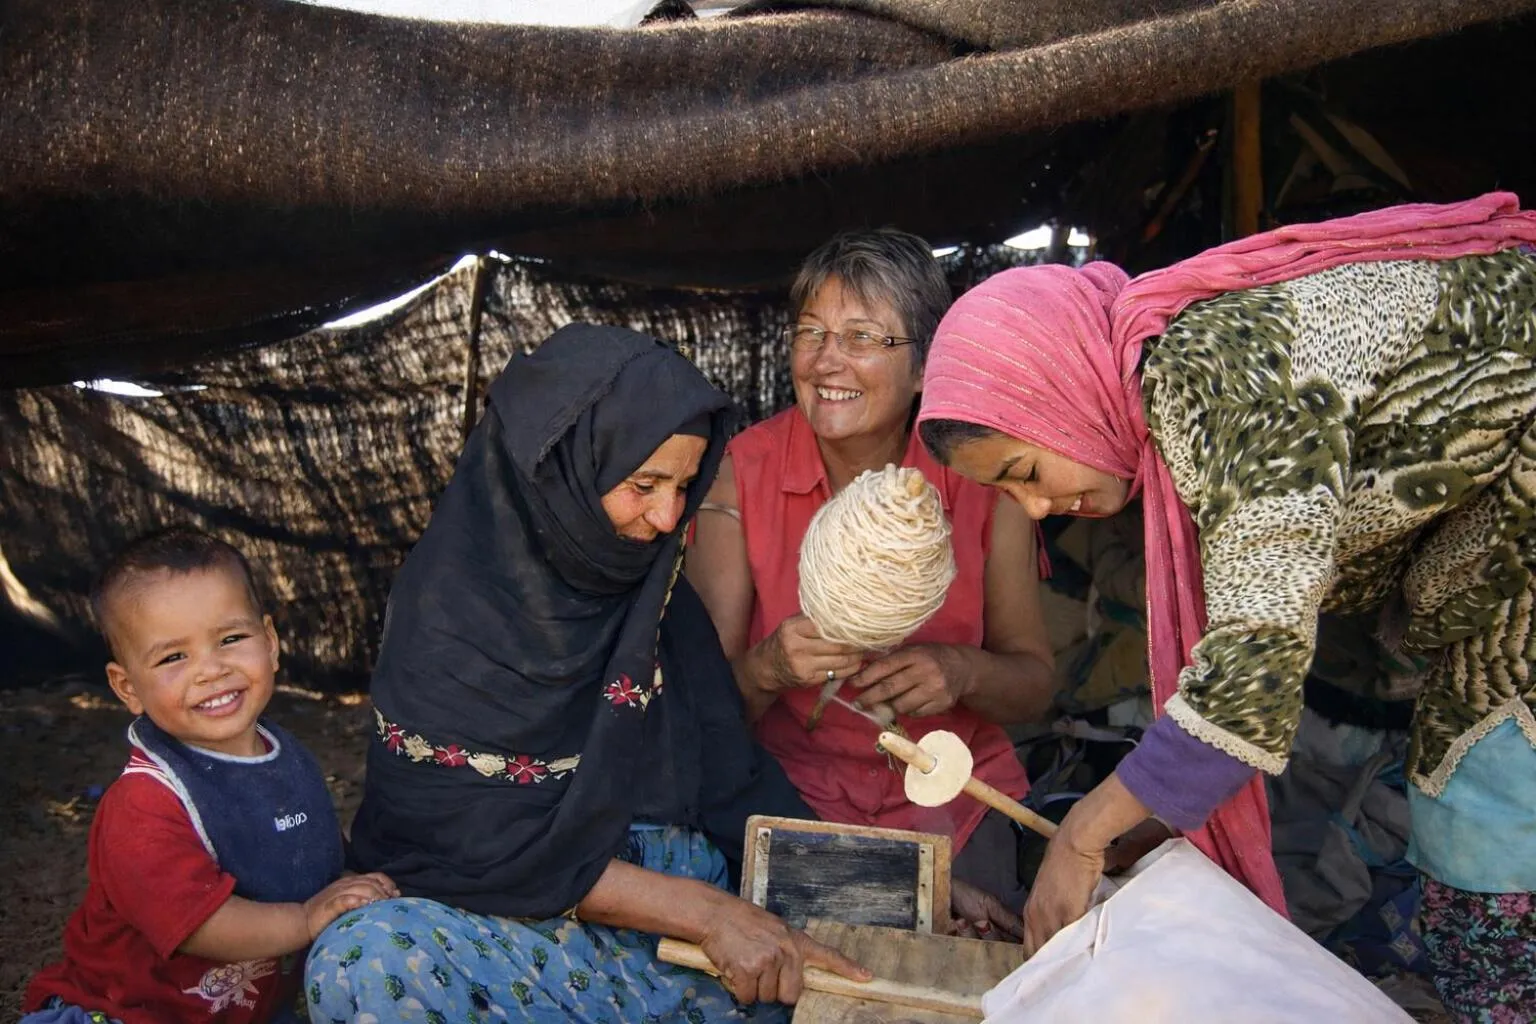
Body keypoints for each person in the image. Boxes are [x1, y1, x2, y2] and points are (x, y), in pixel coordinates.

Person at [915, 193, 1536, 1020]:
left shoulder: (1216, 376)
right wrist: (1143, 811)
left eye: (1025, 472)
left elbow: (1255, 669)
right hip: (1502, 578)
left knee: (1489, 872)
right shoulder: (1186, 368)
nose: (1035, 511)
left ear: (1061, 391)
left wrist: (1083, 832)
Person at [305, 324, 869, 1023]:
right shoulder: (449, 609)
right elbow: (459, 833)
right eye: (644, 484)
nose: (667, 518)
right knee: (363, 959)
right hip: (525, 939)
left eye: (685, 487)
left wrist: (886, 896)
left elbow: (733, 778)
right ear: (561, 469)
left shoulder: (657, 592)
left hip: (687, 959)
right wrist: (705, 913)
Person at [687, 229, 1057, 928]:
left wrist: (962, 671)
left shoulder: (980, 470)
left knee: (966, 966)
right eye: (812, 333)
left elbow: (1036, 685)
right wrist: (768, 668)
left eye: (862, 337)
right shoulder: (745, 469)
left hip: (959, 803)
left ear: (924, 368)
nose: (827, 359)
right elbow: (702, 716)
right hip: (794, 806)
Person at [22, 527, 395, 1024]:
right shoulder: (145, 803)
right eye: (174, 657)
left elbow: (316, 858)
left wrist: (349, 887)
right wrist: (308, 918)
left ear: (271, 641)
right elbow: (200, 925)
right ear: (127, 686)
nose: (211, 669)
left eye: (231, 639)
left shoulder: (289, 759)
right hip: (128, 1011)